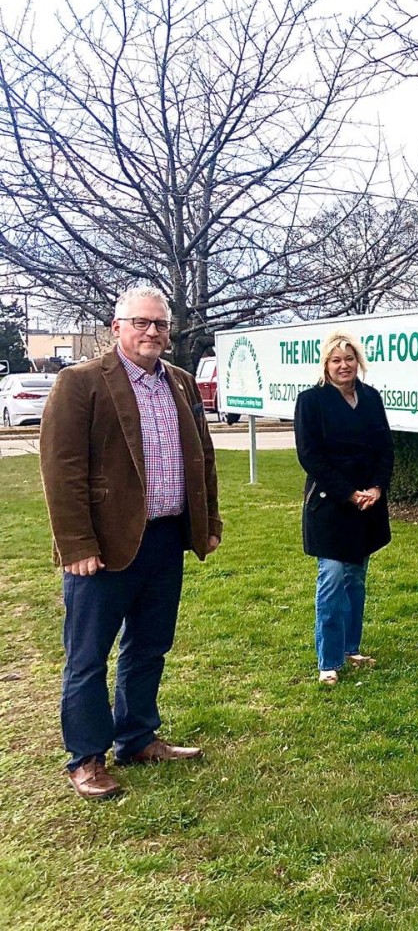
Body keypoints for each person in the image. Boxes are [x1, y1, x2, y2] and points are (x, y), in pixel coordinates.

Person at [39, 286, 221, 800]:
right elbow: (62, 468)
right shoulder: (81, 384)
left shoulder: (181, 383)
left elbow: (202, 459)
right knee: (88, 656)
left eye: (160, 324)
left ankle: (137, 737)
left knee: (149, 646)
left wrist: (208, 522)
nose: (152, 332)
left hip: (165, 539)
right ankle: (87, 758)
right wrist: (76, 545)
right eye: (140, 322)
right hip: (104, 547)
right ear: (116, 327)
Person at [294, 331, 394, 686]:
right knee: (332, 577)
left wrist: (376, 488)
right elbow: (310, 456)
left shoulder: (370, 398)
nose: (343, 365)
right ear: (326, 365)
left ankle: (352, 647)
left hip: (367, 503)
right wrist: (349, 493)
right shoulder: (311, 401)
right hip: (330, 504)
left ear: (358, 362)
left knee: (355, 577)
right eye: (336, 360)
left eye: (349, 358)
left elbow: (385, 447)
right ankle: (329, 660)